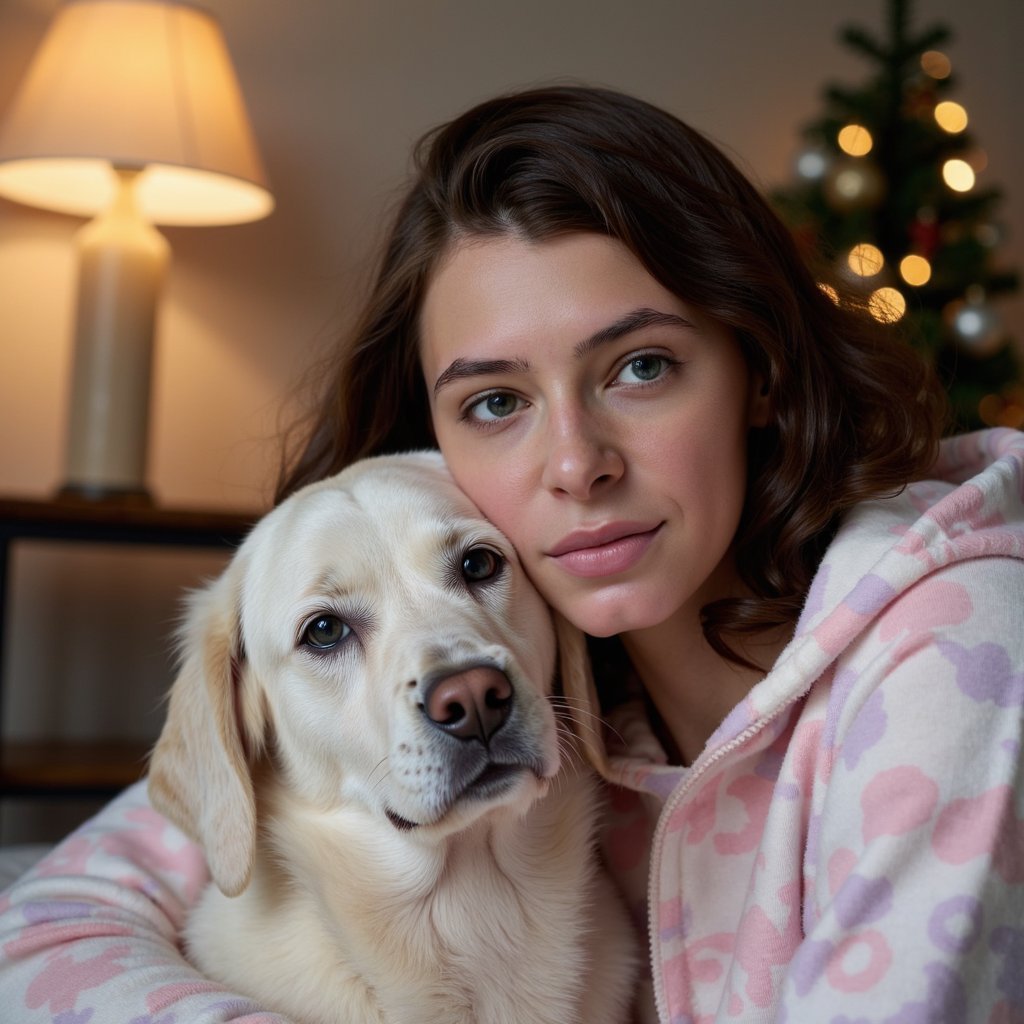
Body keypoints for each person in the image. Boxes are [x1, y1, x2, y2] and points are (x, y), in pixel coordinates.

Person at [1, 85, 1022, 1023]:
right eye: (496, 402)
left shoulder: (953, 643)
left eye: (641, 366)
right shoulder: (542, 624)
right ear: (437, 446)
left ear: (761, 369)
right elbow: (42, 928)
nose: (576, 465)